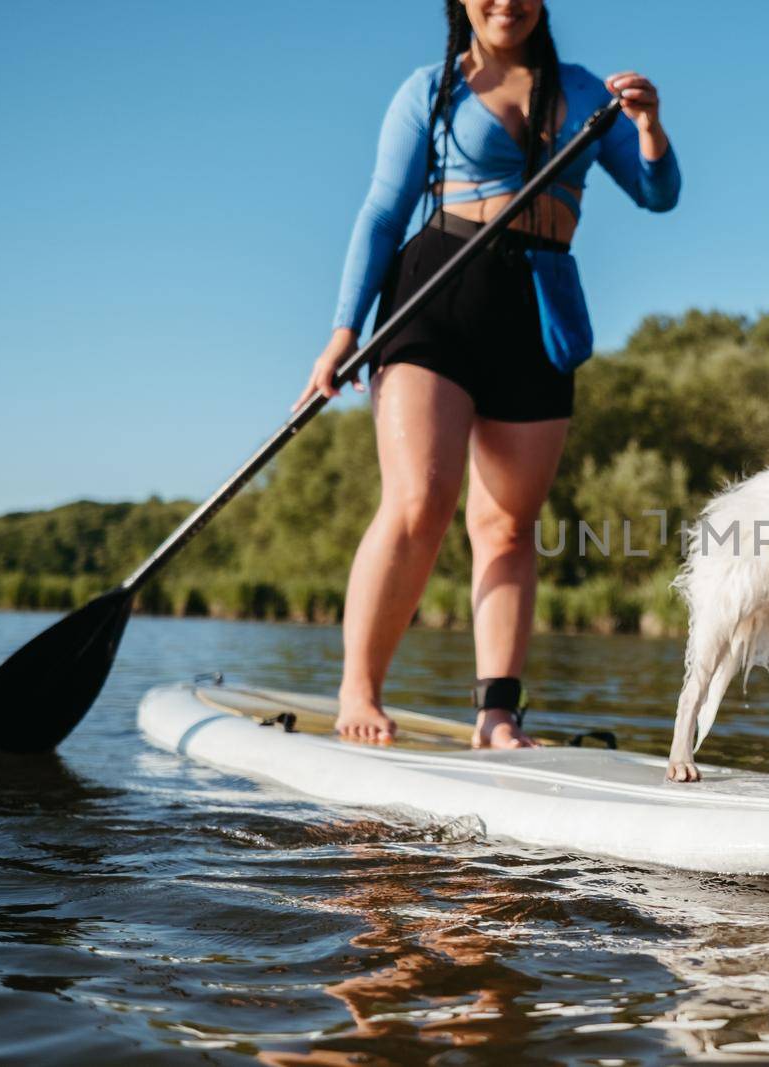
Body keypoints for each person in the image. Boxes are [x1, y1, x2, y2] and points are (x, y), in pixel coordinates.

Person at [293, 0, 680, 747]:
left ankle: (497, 713)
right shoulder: (431, 89)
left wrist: (648, 125)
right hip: (440, 289)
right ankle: (360, 689)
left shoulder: (587, 92)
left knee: (507, 528)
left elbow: (659, 195)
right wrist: (343, 331)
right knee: (419, 501)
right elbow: (383, 210)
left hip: (540, 305)